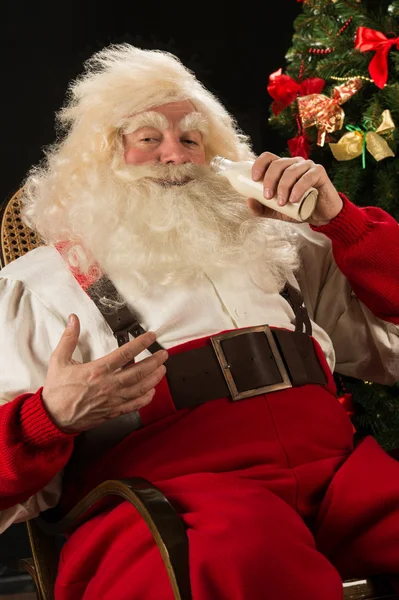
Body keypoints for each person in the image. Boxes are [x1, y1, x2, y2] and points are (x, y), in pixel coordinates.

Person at [0, 43, 398, 600]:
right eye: (147, 139)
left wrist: (342, 221)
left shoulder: (284, 246)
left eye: (190, 138)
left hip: (339, 484)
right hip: (184, 506)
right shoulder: (42, 285)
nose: (175, 156)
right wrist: (48, 417)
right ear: (99, 159)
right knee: (248, 548)